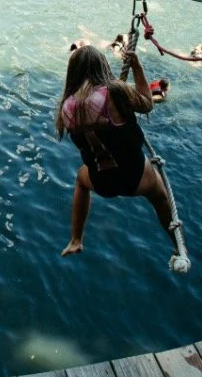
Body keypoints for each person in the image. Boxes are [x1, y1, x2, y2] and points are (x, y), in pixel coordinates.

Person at [56, 43, 177, 257]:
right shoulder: (115, 91)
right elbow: (147, 105)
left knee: (81, 179)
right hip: (135, 177)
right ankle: (176, 244)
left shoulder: (66, 107)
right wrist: (137, 68)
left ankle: (76, 239)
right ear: (102, 66)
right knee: (159, 196)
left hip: (102, 182)